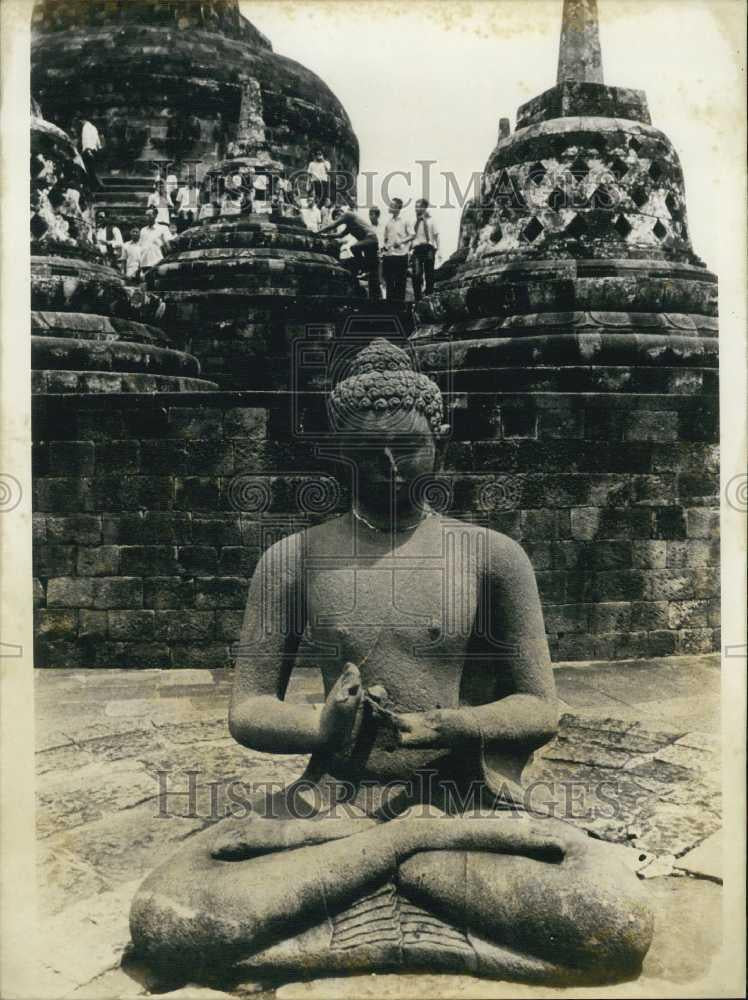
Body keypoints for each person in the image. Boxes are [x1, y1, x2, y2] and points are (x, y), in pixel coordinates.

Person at [130, 339, 653, 990]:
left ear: (438, 439)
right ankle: (413, 881)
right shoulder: (293, 560)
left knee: (613, 916)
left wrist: (453, 726)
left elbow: (539, 708)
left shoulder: (491, 557)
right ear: (338, 450)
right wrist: (322, 729)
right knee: (162, 918)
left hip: (457, 806)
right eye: (367, 451)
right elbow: (248, 709)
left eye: (407, 447)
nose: (390, 467)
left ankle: (341, 904)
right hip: (332, 805)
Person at [318, 202, 380, 301]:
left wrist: (318, 232)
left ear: (341, 215)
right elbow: (340, 235)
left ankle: (363, 268)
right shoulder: (350, 225)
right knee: (373, 273)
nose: (338, 220)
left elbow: (333, 226)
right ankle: (375, 297)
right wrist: (326, 236)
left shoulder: (348, 215)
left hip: (370, 239)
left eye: (338, 217)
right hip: (369, 244)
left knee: (353, 248)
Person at [381, 197, 412, 302]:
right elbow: (385, 238)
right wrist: (384, 249)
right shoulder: (388, 222)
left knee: (400, 283)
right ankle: (390, 307)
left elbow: (412, 235)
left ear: (398, 208)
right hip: (389, 255)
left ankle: (399, 308)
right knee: (389, 282)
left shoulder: (405, 220)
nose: (390, 207)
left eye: (392, 205)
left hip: (401, 255)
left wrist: (401, 242)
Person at [410, 197, 440, 301]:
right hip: (417, 249)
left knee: (429, 273)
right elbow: (411, 236)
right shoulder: (414, 222)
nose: (416, 209)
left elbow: (436, 236)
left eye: (418, 207)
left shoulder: (431, 220)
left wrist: (439, 249)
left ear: (424, 208)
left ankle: (429, 295)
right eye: (415, 207)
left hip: (429, 248)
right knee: (416, 274)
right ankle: (418, 298)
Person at [138, 206, 170, 273]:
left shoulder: (163, 228)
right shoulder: (143, 230)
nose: (147, 218)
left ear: (155, 215)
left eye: (149, 215)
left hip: (157, 262)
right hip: (144, 263)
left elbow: (168, 245)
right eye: (146, 215)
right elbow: (140, 247)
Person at [369, 206, 387, 298]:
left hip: (381, 254)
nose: (370, 217)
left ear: (377, 215)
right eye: (370, 214)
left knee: (381, 277)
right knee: (372, 277)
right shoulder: (368, 228)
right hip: (371, 254)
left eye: (372, 214)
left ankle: (383, 297)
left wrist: (383, 249)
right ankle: (373, 298)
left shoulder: (383, 227)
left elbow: (385, 240)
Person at [79, 116, 102, 189]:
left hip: (88, 150)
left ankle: (95, 186)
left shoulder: (85, 128)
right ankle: (95, 185)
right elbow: (98, 140)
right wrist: (98, 147)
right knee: (92, 169)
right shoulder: (93, 127)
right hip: (94, 150)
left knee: (89, 170)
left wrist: (88, 150)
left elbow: (86, 140)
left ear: (82, 121)